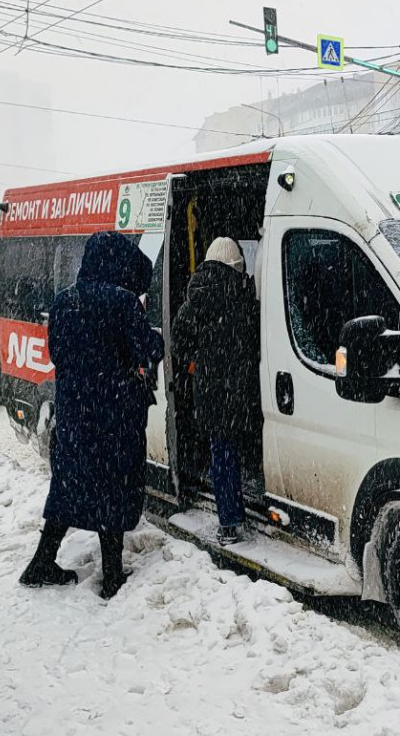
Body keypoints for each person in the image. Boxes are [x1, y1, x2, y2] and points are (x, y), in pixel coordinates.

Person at [18, 231, 164, 600]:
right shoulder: (124, 303)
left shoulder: (64, 300)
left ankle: (42, 561)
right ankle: (112, 575)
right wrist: (155, 341)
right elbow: (143, 349)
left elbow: (55, 354)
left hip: (75, 414)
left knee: (69, 487)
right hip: (113, 414)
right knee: (111, 487)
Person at [173, 237, 261, 546]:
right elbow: (256, 335)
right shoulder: (243, 292)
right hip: (243, 384)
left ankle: (229, 522)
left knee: (220, 450)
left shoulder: (195, 295)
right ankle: (248, 503)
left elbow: (180, 340)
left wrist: (197, 364)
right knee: (242, 444)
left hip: (210, 387)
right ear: (237, 263)